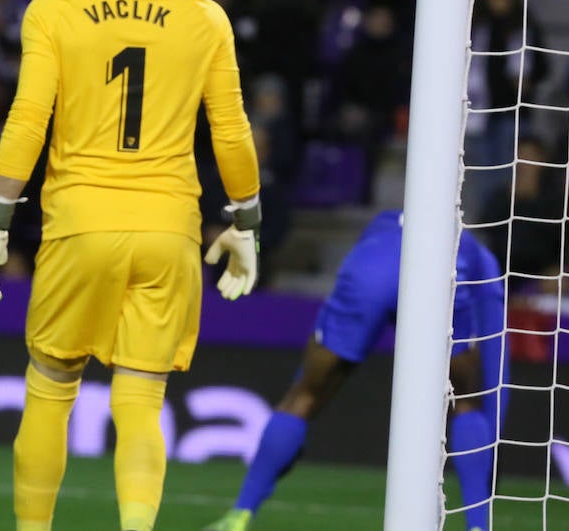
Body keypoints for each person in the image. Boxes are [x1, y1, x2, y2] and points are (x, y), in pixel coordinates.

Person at [0, 0, 262, 531]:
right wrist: (245, 221)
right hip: (168, 231)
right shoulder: (205, 16)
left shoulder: (54, 10)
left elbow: (26, 122)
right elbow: (232, 131)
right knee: (140, 400)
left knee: (49, 389)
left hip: (80, 224)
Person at [204, 212, 506, 531]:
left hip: (369, 269)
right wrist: (492, 461)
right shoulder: (477, 253)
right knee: (468, 401)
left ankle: (239, 514)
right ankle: (478, 527)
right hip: (442, 269)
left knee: (304, 394)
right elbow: (497, 371)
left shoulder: (381, 224)